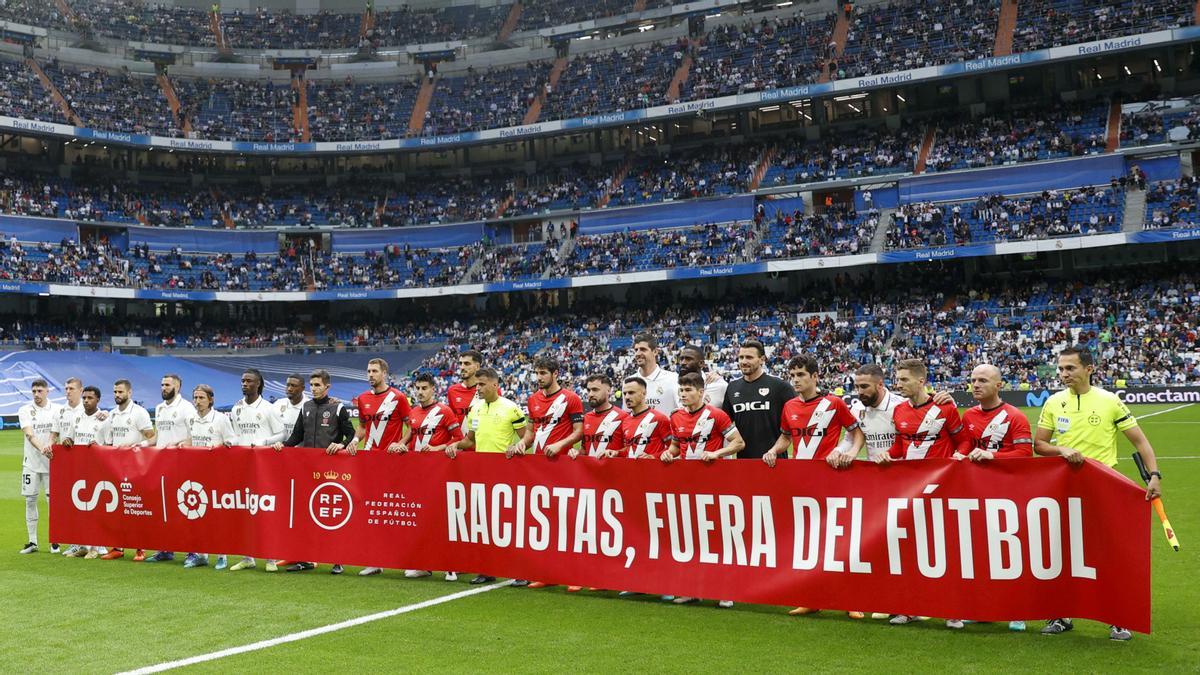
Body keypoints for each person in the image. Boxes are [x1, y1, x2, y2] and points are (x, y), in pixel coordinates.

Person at [1034, 345, 1163, 642]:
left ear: (1089, 368)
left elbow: (1141, 443)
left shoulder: (1109, 401)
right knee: (1062, 552)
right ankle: (1061, 615)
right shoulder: (1054, 402)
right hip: (1063, 488)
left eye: (1070, 368)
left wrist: (1154, 475)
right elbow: (1039, 445)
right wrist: (1061, 448)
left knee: (1107, 554)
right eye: (1061, 368)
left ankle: (1117, 618)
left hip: (1103, 487)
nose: (1063, 374)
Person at [762, 354, 866, 618]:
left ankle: (851, 601)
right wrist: (774, 450)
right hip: (802, 483)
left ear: (815, 376)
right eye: (792, 375)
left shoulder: (833, 403)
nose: (796, 380)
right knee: (808, 544)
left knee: (839, 542)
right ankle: (812, 599)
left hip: (831, 482)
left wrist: (850, 453)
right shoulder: (789, 407)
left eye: (801, 375)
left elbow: (855, 432)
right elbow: (786, 437)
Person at [875, 359, 965, 629]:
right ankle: (909, 607)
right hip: (910, 491)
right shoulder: (900, 410)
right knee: (910, 551)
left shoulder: (945, 407)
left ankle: (953, 610)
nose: (898, 384)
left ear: (921, 381)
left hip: (942, 490)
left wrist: (960, 455)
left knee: (945, 552)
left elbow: (963, 441)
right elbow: (902, 448)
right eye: (897, 379)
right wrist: (886, 455)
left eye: (903, 380)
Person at [959, 363, 1033, 632]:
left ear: (999, 385)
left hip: (1008, 495)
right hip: (977, 494)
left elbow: (1025, 455)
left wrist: (994, 455)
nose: (976, 385)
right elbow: (966, 445)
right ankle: (983, 609)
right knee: (980, 553)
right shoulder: (968, 416)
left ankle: (1017, 611)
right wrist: (960, 453)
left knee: (1011, 554)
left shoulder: (1015, 416)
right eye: (973, 380)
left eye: (982, 380)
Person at [661, 371, 745, 608]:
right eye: (681, 390)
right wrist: (669, 453)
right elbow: (676, 447)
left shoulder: (716, 415)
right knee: (691, 538)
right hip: (687, 485)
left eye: (688, 390)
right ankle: (691, 589)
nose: (684, 394)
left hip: (715, 485)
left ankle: (725, 590)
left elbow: (739, 442)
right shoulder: (675, 417)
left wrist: (717, 453)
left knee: (718, 538)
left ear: (701, 392)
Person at [446, 367, 527, 585]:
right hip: (482, 474)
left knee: (509, 524)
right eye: (477, 384)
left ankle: (520, 571)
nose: (478, 388)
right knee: (484, 524)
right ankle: (486, 570)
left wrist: (519, 445)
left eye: (481, 384)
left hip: (507, 474)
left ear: (494, 384)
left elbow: (526, 436)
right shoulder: (475, 409)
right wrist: (456, 445)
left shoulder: (511, 408)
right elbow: (470, 440)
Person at [510, 356, 583, 588]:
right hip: (539, 467)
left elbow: (579, 431)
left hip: (562, 467)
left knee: (568, 521)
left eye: (543, 373)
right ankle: (548, 574)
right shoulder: (532, 399)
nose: (539, 377)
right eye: (537, 373)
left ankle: (575, 575)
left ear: (555, 374)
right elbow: (530, 432)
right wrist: (522, 444)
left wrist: (561, 445)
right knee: (545, 521)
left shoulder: (571, 399)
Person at [276, 369, 355, 575]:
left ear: (327, 387)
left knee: (330, 517)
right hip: (307, 471)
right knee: (305, 516)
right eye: (312, 385)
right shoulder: (306, 407)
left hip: (331, 472)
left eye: (318, 385)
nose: (314, 389)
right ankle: (305, 559)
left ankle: (338, 559)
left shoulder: (337, 408)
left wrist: (341, 445)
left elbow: (352, 434)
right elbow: (296, 436)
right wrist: (282, 446)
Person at [402, 373, 464, 581]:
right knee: (421, 521)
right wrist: (401, 446)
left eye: (424, 388)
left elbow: (459, 440)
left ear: (433, 390)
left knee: (442, 520)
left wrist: (437, 448)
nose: (420, 392)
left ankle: (451, 565)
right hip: (417, 474)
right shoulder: (413, 413)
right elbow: (411, 438)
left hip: (440, 473)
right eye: (417, 388)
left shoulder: (445, 412)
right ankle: (423, 565)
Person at [228, 369, 286, 572]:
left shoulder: (269, 408)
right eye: (242, 380)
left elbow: (283, 434)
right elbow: (236, 434)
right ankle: (247, 557)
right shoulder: (236, 409)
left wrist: (265, 442)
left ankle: (270, 558)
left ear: (259, 384)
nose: (244, 384)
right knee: (244, 511)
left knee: (264, 511)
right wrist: (231, 442)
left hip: (264, 467)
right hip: (242, 465)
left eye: (249, 381)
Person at [99, 379, 156, 561]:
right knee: (118, 510)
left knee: (136, 508)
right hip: (116, 468)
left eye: (120, 392)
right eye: (115, 392)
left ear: (129, 393)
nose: (117, 395)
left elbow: (153, 437)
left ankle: (140, 548)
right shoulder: (112, 415)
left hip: (136, 467)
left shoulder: (139, 413)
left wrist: (139, 445)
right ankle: (117, 547)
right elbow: (108, 442)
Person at [182, 384, 237, 569]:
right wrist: (183, 444)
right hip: (196, 473)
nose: (197, 402)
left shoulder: (221, 419)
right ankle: (201, 555)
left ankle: (222, 555)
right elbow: (191, 439)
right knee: (198, 514)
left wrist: (226, 444)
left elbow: (233, 439)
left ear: (211, 400)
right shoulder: (191, 419)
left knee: (217, 515)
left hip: (217, 473)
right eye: (195, 398)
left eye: (201, 398)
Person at [146, 374, 199, 563]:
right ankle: (166, 549)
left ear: (177, 387)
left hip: (182, 464)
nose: (163, 388)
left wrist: (177, 445)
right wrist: (143, 444)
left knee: (185, 508)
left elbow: (195, 435)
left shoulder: (186, 408)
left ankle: (193, 551)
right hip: (160, 465)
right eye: (162, 384)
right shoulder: (159, 408)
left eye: (167, 385)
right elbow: (159, 436)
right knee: (164, 509)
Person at [58, 385, 108, 560]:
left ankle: (96, 547)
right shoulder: (77, 417)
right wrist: (66, 440)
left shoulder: (104, 419)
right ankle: (82, 545)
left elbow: (110, 444)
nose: (86, 400)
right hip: (79, 469)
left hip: (98, 469)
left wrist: (99, 447)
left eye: (90, 398)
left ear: (98, 400)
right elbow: (71, 437)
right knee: (80, 508)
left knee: (96, 508)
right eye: (85, 397)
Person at [722, 339, 795, 459]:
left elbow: (795, 423)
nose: (744, 361)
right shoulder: (732, 388)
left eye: (749, 357)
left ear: (762, 359)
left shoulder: (780, 386)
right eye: (741, 357)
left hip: (774, 461)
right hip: (744, 462)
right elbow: (723, 423)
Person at [18, 379, 62, 555]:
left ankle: (55, 541)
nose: (36, 394)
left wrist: (49, 445)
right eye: (34, 391)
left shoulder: (58, 409)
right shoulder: (25, 410)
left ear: (47, 391)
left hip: (52, 463)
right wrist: (43, 448)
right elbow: (29, 433)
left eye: (40, 391)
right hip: (31, 463)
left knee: (53, 503)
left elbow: (56, 431)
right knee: (30, 501)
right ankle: (32, 541)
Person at [347, 357, 411, 455]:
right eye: (369, 371)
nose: (371, 375)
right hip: (368, 456)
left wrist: (400, 443)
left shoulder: (399, 397)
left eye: (375, 371)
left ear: (384, 373)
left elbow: (411, 427)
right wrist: (355, 440)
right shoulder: (362, 398)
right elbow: (362, 427)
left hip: (391, 456)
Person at [51, 377, 85, 558]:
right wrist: (50, 445)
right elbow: (54, 434)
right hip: (65, 464)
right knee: (69, 504)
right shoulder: (60, 411)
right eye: (66, 388)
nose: (68, 391)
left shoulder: (87, 409)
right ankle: (76, 542)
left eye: (71, 388)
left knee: (83, 502)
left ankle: (86, 542)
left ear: (81, 390)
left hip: (83, 463)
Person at [575, 374, 629, 460]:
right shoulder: (586, 418)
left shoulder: (623, 417)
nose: (590, 394)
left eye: (595, 390)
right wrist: (576, 452)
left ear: (608, 390)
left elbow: (630, 449)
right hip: (591, 472)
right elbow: (584, 449)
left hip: (614, 471)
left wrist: (616, 453)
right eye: (588, 390)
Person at [620, 376, 673, 459]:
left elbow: (673, 448)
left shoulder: (659, 418)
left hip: (652, 470)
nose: (626, 397)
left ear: (644, 393)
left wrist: (653, 457)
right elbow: (629, 449)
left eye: (631, 393)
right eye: (624, 393)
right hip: (630, 470)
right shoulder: (626, 420)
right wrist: (616, 452)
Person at [629, 333, 678, 415]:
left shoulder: (673, 379)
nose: (637, 353)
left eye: (643, 349)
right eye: (636, 350)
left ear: (655, 352)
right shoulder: (628, 382)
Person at [677, 344, 727, 408]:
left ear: (701, 363)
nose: (683, 363)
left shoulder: (718, 386)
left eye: (688, 359)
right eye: (681, 359)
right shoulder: (673, 385)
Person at [446, 349, 487, 421]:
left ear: (477, 366)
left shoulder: (489, 389)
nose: (462, 367)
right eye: (460, 363)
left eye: (467, 364)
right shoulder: (452, 391)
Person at [274, 373, 308, 438]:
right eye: (287, 385)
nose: (289, 389)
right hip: (278, 447)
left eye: (293, 386)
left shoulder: (309, 406)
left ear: (302, 388)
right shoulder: (278, 404)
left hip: (300, 448)